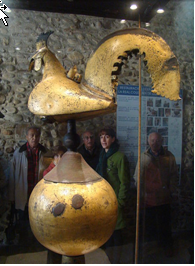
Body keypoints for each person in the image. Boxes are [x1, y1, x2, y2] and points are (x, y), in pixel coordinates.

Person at [133, 132, 178, 258]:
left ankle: (167, 248)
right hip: (148, 199)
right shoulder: (143, 157)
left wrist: (171, 191)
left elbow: (174, 175)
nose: (155, 143)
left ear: (162, 141)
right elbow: (137, 177)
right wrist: (141, 194)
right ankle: (149, 250)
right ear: (148, 141)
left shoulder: (169, 157)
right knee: (149, 226)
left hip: (164, 199)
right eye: (152, 140)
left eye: (157, 140)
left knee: (165, 225)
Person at [7, 126, 47, 245]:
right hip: (23, 194)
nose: (34, 138)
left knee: (38, 223)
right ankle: (24, 247)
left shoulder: (45, 153)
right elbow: (13, 176)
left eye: (37, 135)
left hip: (38, 194)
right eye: (32, 135)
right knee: (22, 223)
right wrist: (11, 197)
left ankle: (36, 246)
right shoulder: (18, 154)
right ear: (27, 137)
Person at [96, 127, 130, 263]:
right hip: (103, 202)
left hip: (115, 202)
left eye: (107, 136)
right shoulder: (102, 156)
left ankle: (117, 261)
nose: (103, 140)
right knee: (107, 234)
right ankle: (108, 260)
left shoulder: (120, 157)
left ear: (113, 139)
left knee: (117, 235)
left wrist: (120, 202)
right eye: (101, 137)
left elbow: (124, 182)